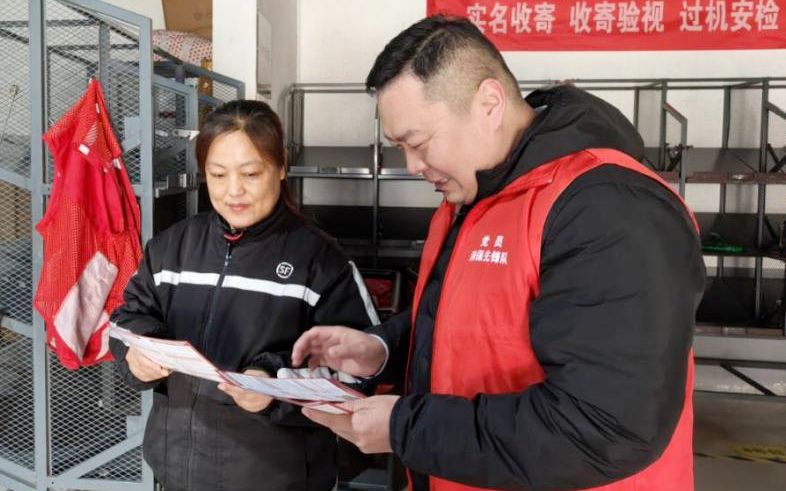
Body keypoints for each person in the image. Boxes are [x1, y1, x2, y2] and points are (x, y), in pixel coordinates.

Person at [291, 15, 705, 491]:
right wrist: (382, 348)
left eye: (418, 143)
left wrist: (405, 427)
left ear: (489, 104)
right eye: (399, 146)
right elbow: (479, 317)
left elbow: (604, 426)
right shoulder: (472, 196)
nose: (412, 165)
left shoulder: (608, 209)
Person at [109, 100, 380, 491]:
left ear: (281, 166)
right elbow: (127, 317)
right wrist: (135, 356)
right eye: (218, 175)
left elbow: (360, 371)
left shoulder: (321, 262)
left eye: (251, 173)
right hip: (178, 472)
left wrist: (272, 385)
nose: (233, 191)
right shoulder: (171, 249)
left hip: (277, 478)